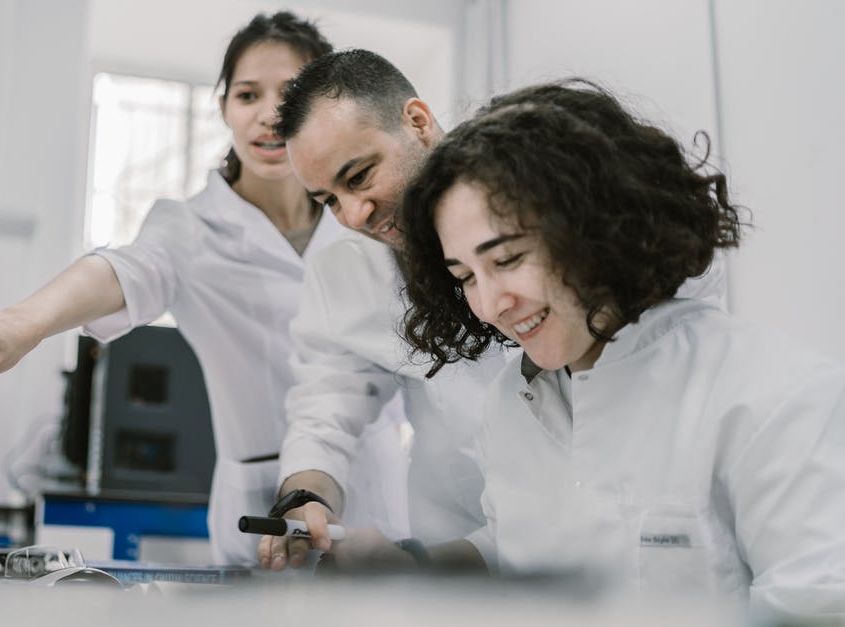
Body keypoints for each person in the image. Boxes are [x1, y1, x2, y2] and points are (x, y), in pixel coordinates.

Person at [343, 79, 845, 616]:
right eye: (465, 276)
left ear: (596, 225)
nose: (488, 306)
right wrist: (412, 567)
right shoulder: (512, 400)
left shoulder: (771, 395)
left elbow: (818, 607)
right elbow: (516, 543)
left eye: (507, 259)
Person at [0, 13, 408, 565]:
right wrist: (24, 322)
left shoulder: (365, 211)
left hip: (384, 490)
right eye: (247, 95)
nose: (268, 115)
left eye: (290, 93)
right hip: (262, 509)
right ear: (224, 108)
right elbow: (125, 269)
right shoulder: (190, 228)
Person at [258, 50, 726, 570]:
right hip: (478, 546)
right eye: (328, 200)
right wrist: (310, 497)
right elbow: (324, 412)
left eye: (361, 176)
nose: (353, 215)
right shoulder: (511, 401)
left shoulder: (725, 388)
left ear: (416, 121)